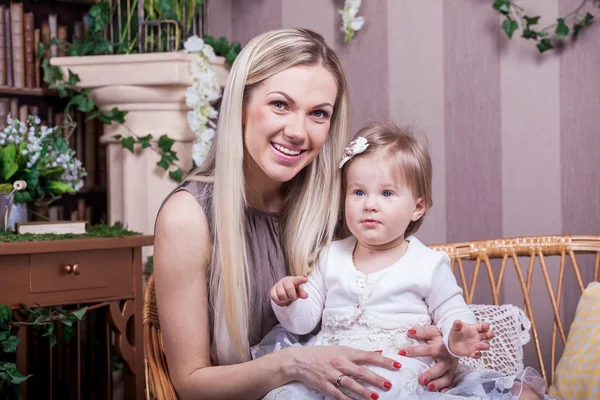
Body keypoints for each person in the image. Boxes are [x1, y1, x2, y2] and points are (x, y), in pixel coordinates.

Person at [154, 28, 460, 400]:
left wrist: (441, 355)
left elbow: (397, 299)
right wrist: (294, 364)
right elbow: (189, 384)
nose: (298, 132)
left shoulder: (338, 205)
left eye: (318, 113)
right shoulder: (188, 217)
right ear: (241, 106)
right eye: (280, 104)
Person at [256, 122, 553, 400]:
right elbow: (304, 321)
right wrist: (289, 302)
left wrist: (457, 337)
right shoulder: (330, 255)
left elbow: (452, 311)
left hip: (400, 372)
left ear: (418, 206)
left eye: (387, 193)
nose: (369, 204)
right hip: (337, 370)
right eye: (358, 192)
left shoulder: (427, 263)